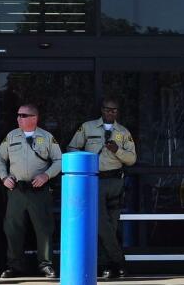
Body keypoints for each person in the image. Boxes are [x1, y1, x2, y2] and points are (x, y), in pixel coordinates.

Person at [67, 97, 137, 280]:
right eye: (107, 109)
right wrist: (87, 160)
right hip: (93, 181)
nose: (110, 113)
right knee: (101, 224)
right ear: (102, 110)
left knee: (111, 225)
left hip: (115, 182)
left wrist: (117, 151)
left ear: (117, 112)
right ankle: (117, 263)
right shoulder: (88, 127)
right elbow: (72, 148)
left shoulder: (123, 132)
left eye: (114, 110)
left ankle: (108, 267)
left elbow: (132, 159)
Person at [0, 102, 62, 279]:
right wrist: (4, 177)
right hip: (17, 190)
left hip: (38, 190)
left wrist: (46, 175)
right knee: (13, 229)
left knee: (44, 229)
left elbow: (59, 160)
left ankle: (46, 265)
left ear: (34, 118)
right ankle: (14, 266)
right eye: (18, 115)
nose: (19, 118)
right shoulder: (11, 136)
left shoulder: (46, 137)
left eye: (23, 116)